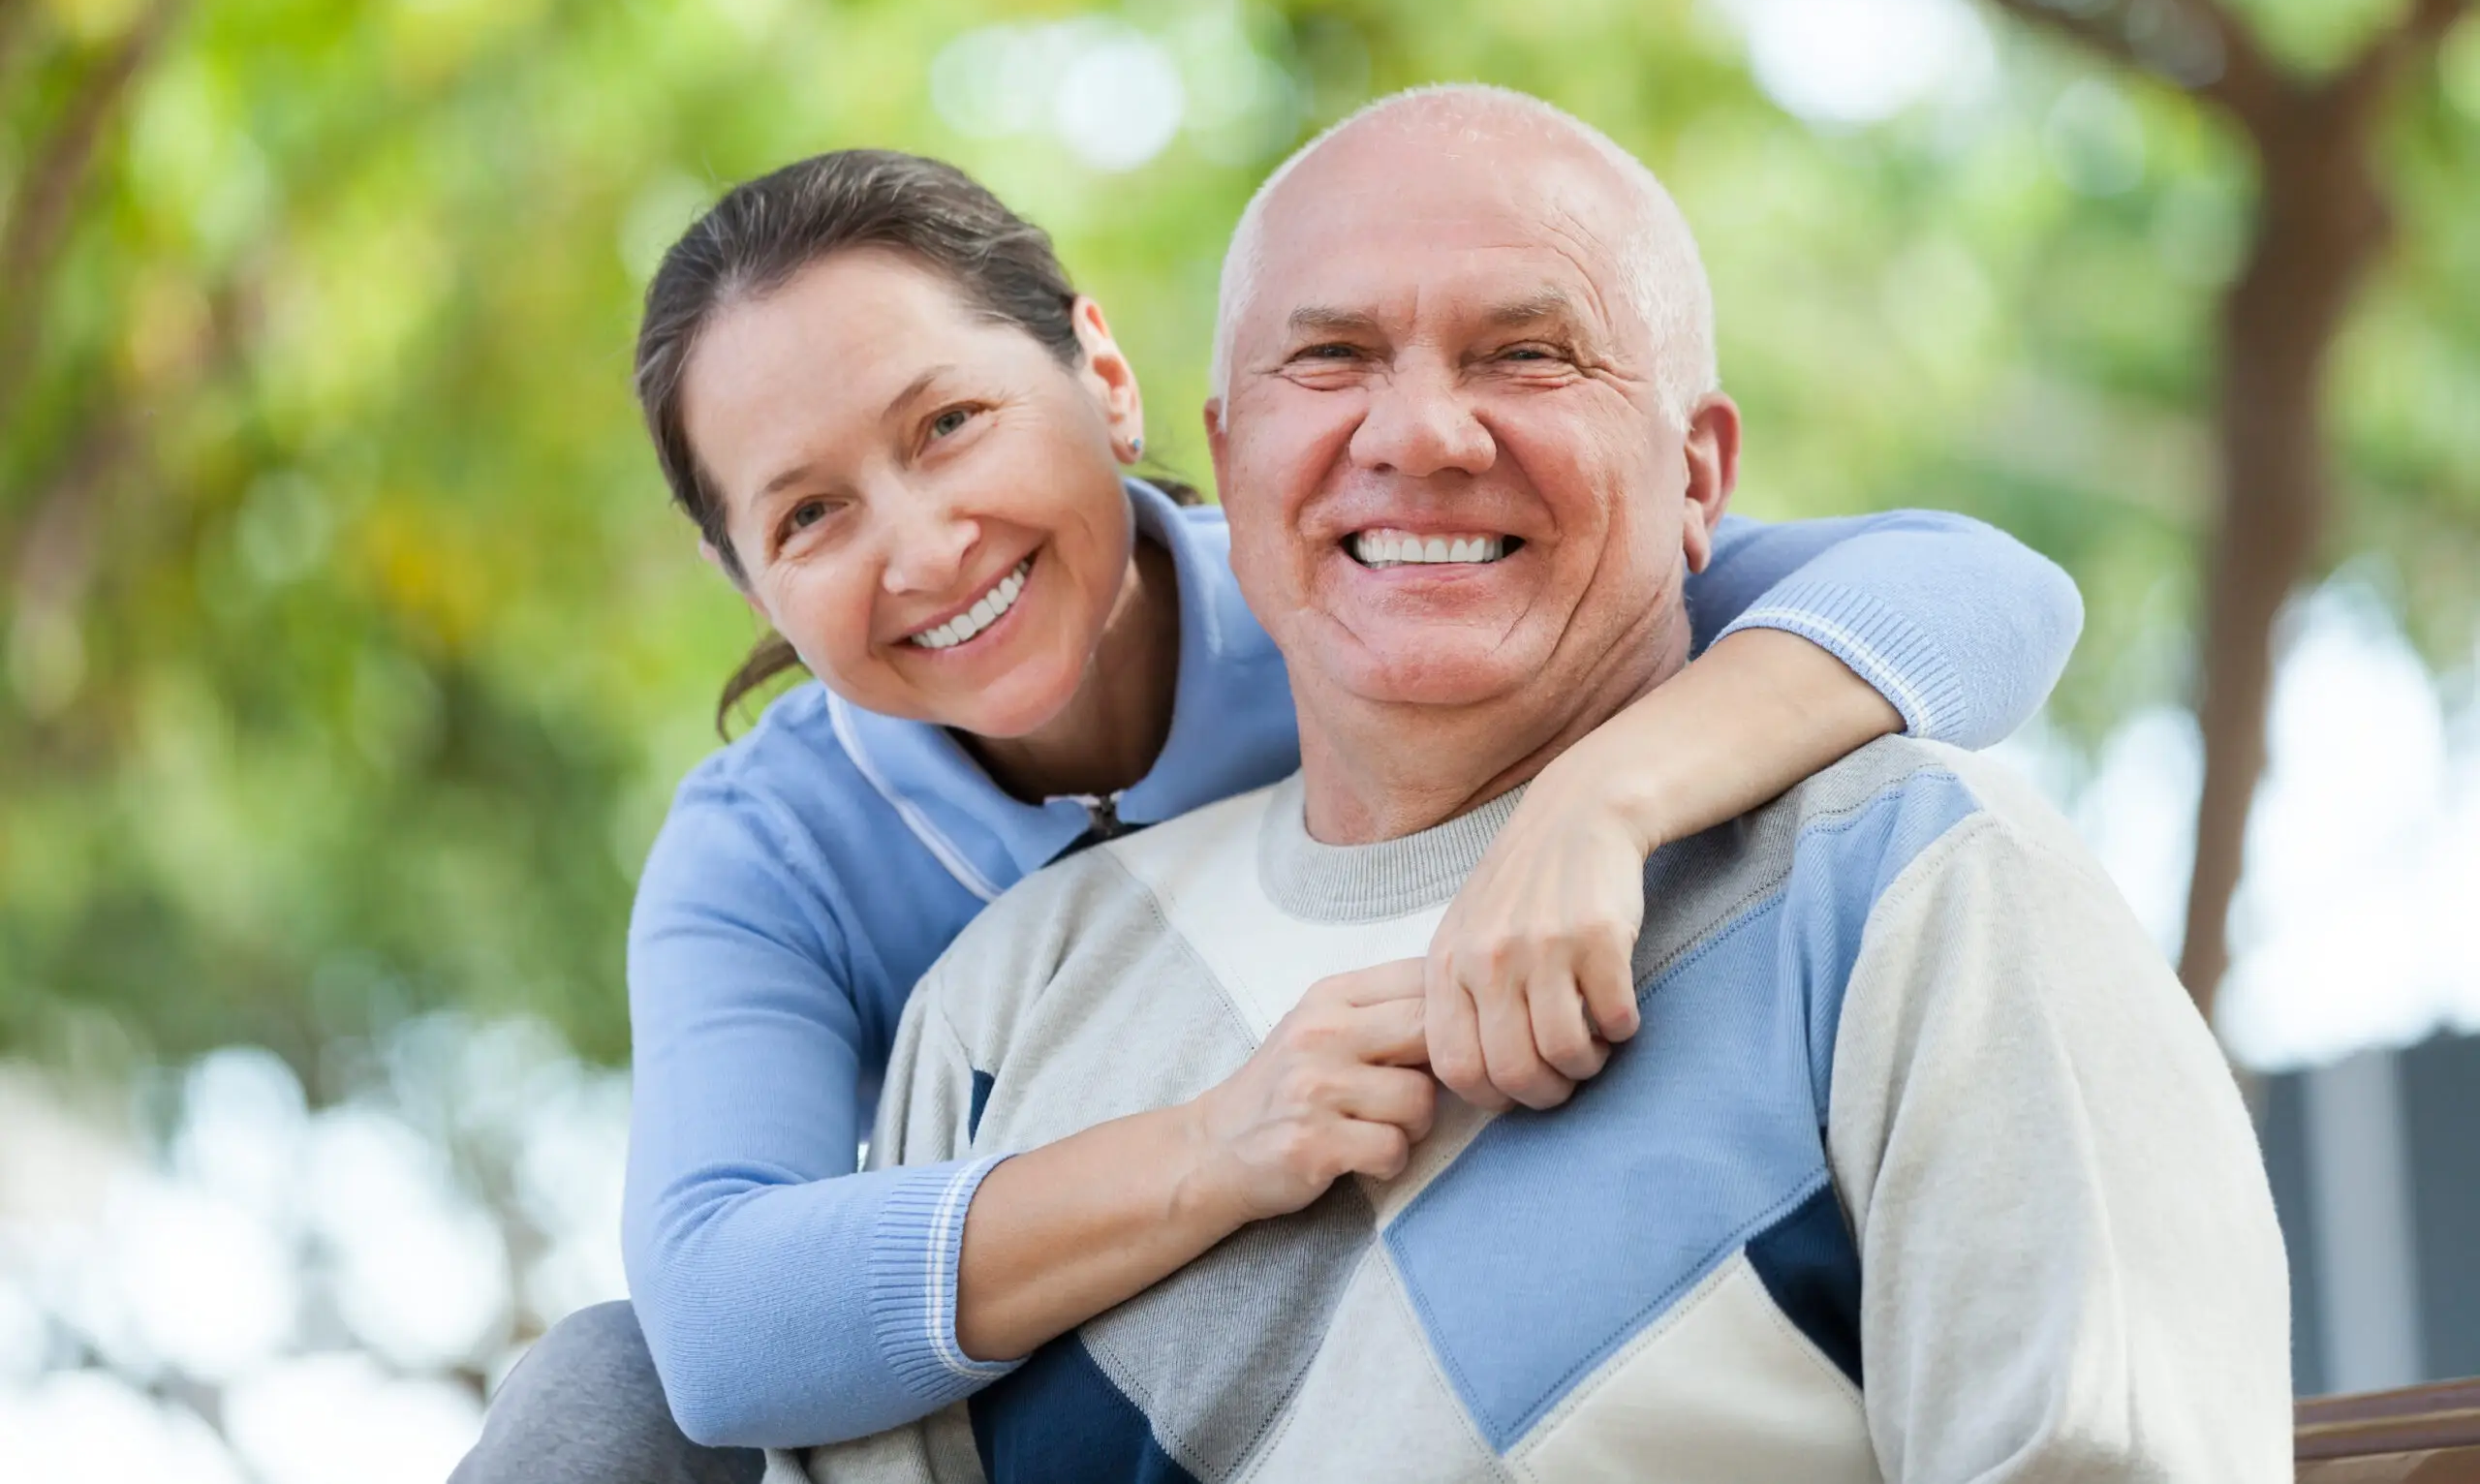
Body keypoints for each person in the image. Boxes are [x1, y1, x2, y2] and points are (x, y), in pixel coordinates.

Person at [453, 134, 2084, 1478]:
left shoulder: (1373, 586)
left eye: (950, 425)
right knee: (596, 1394)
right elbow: (722, 1326)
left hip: (1480, 1305)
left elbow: (1976, 589)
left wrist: (1603, 799)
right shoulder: (771, 845)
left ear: (1104, 376)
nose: (928, 544)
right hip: (1085, 1369)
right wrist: (1212, 1144)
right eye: (810, 515)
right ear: (741, 572)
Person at [781, 84, 2290, 1483]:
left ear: (1699, 476)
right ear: (1230, 470)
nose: (1424, 433)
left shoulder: (1910, 887)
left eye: (1528, 352)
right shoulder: (1007, 1006)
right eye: (1334, 356)